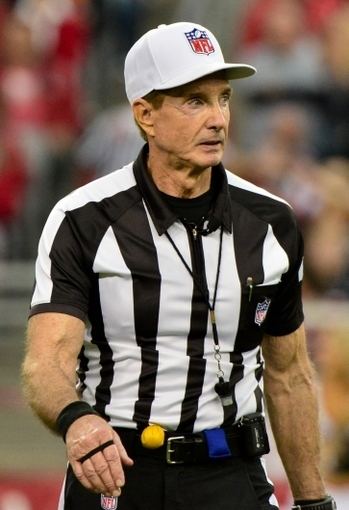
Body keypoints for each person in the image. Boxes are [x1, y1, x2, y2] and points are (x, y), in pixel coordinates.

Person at [22, 21, 337, 510]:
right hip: (118, 471)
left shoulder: (272, 222)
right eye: (195, 101)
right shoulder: (83, 219)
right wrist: (77, 419)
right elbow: (47, 362)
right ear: (145, 114)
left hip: (233, 470)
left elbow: (289, 373)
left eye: (224, 98)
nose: (218, 119)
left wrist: (314, 502)